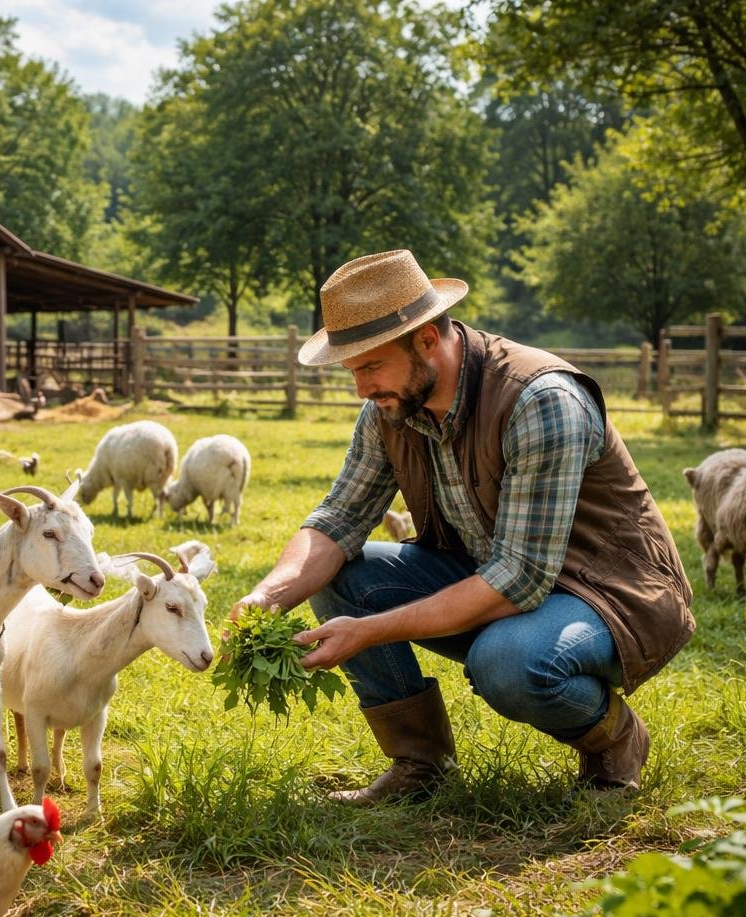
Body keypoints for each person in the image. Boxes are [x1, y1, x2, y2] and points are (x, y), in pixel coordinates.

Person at [232, 250, 694, 804]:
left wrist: (369, 630)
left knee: (506, 662)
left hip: (607, 593)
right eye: (351, 371)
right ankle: (420, 765)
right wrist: (268, 595)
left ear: (427, 339)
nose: (360, 388)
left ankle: (615, 738)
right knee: (336, 576)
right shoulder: (392, 407)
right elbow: (338, 519)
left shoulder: (539, 399)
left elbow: (519, 579)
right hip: (492, 573)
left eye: (371, 366)